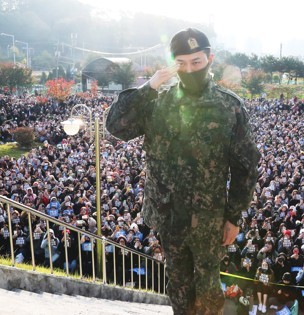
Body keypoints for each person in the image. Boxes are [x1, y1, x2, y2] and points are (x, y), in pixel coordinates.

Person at [106, 27, 261, 315]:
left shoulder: (229, 106)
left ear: (210, 59)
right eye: (181, 63)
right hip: (169, 215)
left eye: (196, 62)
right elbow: (117, 126)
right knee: (177, 286)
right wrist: (148, 87)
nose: (189, 69)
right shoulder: (158, 101)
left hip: (210, 218)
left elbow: (245, 166)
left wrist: (234, 216)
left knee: (207, 288)